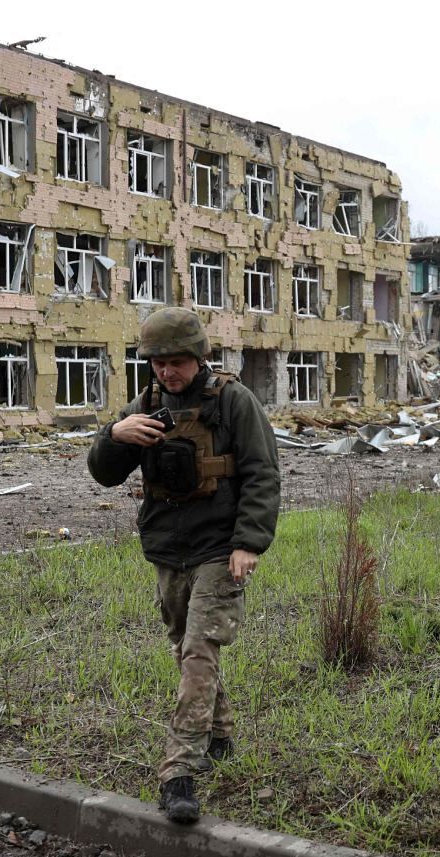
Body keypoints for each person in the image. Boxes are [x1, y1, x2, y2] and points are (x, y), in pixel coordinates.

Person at [87, 307, 280, 824]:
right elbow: (104, 475)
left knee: (200, 648)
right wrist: (114, 435)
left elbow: (264, 475)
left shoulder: (234, 402)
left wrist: (249, 543)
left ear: (198, 358)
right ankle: (219, 732)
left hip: (221, 546)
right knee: (183, 644)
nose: (167, 372)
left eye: (176, 362)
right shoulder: (147, 405)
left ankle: (179, 772)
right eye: (158, 363)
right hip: (170, 549)